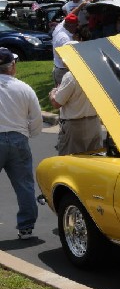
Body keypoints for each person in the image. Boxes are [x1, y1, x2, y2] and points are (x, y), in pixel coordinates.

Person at [0, 47, 43, 239]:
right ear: (12, 66)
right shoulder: (24, 88)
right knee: (24, 184)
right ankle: (26, 227)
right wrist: (30, 134)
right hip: (18, 138)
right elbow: (36, 118)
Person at [49, 43, 103, 156]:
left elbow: (56, 103)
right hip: (94, 124)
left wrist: (53, 93)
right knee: (93, 163)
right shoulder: (95, 72)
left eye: (62, 55)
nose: (61, 58)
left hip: (75, 126)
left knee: (70, 164)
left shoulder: (70, 76)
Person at [52, 13, 78, 86]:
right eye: (76, 25)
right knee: (65, 95)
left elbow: (69, 15)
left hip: (58, 67)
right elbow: (68, 59)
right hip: (63, 71)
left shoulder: (59, 28)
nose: (77, 27)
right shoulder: (64, 39)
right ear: (70, 26)